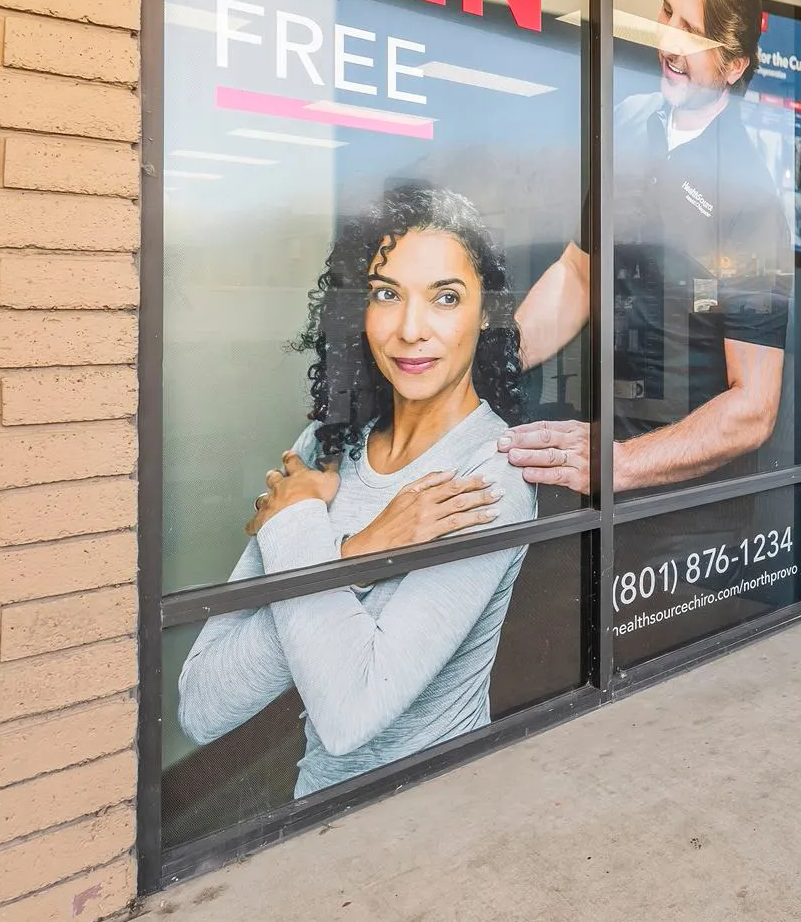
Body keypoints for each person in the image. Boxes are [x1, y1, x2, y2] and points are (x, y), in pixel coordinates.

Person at [176, 186, 536, 798]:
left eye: (445, 298)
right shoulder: (326, 445)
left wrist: (300, 530)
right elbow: (200, 705)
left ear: (486, 313)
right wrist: (356, 553)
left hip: (442, 814)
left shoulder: (487, 478)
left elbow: (350, 712)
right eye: (386, 294)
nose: (410, 330)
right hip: (317, 805)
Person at [498, 0, 790, 493]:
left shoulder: (751, 201)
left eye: (691, 32)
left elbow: (754, 405)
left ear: (733, 66)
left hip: (684, 500)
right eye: (666, 14)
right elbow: (581, 273)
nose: (667, 44)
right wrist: (493, 362)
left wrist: (623, 464)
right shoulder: (626, 120)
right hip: (596, 452)